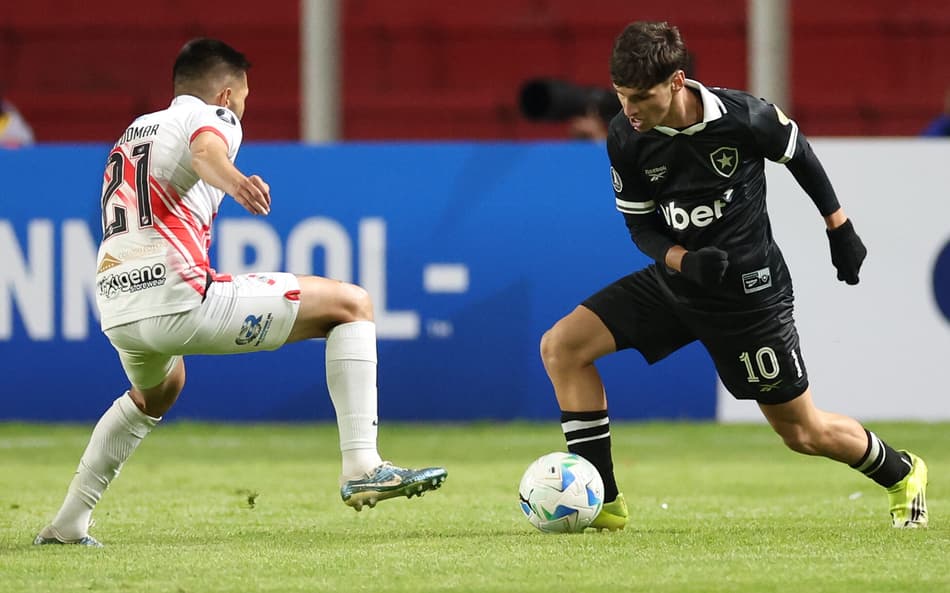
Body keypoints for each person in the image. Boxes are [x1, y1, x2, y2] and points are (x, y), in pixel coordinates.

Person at [34, 38, 447, 547]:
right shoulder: (214, 117)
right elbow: (205, 151)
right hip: (178, 296)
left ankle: (69, 522)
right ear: (226, 95)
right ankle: (363, 465)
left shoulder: (133, 132)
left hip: (117, 303)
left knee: (159, 389)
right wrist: (234, 182)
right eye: (245, 98)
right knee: (351, 304)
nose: (243, 109)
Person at [540, 21, 928, 531]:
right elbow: (640, 226)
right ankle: (604, 503)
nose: (629, 109)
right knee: (562, 347)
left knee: (802, 432)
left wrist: (840, 228)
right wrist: (683, 260)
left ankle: (903, 472)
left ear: (676, 82)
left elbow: (800, 155)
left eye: (641, 97)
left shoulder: (744, 116)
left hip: (749, 298)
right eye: (621, 95)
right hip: (677, 282)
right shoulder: (625, 135)